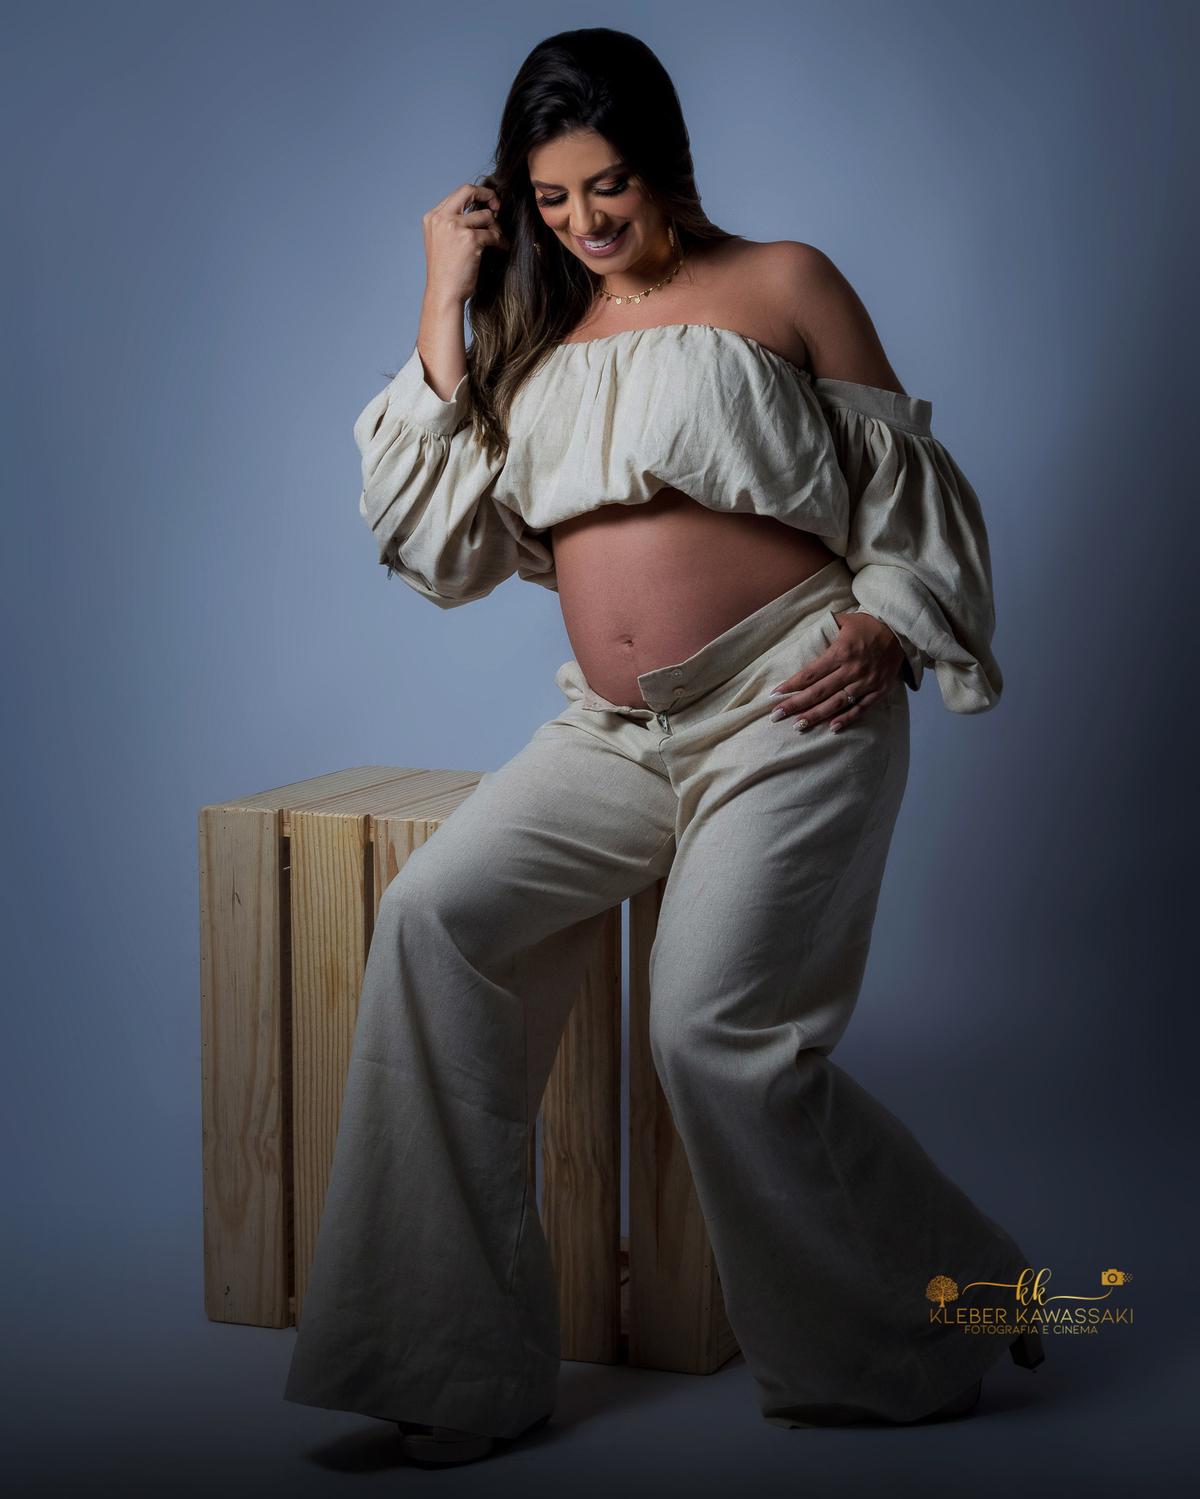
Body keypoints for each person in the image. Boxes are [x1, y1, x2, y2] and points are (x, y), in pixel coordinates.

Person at [283, 27, 1041, 1466]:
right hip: (614, 729)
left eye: (607, 186)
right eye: (550, 198)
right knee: (433, 919)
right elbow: (434, 548)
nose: (583, 221)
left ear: (666, 162)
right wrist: (444, 295)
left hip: (790, 706)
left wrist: (886, 624)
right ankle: (452, 1370)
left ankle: (944, 1315)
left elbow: (912, 499)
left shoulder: (786, 282)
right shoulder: (531, 341)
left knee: (710, 1034)